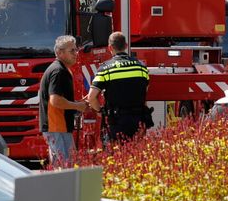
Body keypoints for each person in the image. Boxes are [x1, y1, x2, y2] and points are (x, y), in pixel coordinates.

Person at [87, 31, 152, 144]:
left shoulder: (105, 68)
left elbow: (91, 97)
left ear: (109, 47)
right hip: (139, 119)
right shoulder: (141, 66)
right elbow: (144, 93)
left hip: (117, 121)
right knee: (137, 155)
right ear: (126, 46)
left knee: (117, 155)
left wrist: (100, 111)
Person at [38, 35, 88, 166]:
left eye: (76, 50)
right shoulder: (58, 71)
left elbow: (59, 99)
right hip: (56, 126)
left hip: (60, 126)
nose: (76, 53)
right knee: (64, 166)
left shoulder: (61, 69)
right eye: (72, 50)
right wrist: (77, 106)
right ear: (60, 53)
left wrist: (77, 103)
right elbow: (55, 100)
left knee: (68, 165)